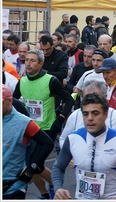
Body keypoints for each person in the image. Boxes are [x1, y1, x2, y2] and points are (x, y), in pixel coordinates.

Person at [52, 93, 116, 199]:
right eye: (85, 114)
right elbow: (58, 167)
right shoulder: (72, 138)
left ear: (105, 114)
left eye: (95, 113)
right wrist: (58, 188)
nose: (90, 118)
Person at [13, 49, 75, 199]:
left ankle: (55, 186)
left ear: (41, 63)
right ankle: (46, 194)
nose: (28, 63)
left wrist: (60, 119)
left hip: (47, 128)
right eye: (26, 60)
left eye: (32, 60)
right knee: (32, 165)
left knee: (33, 165)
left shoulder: (50, 80)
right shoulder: (22, 81)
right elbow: (13, 102)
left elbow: (69, 100)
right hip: (29, 128)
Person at [3, 84, 54, 200]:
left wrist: (32, 167)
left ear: (10, 101)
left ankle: (53, 186)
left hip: (13, 186)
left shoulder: (24, 122)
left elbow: (47, 143)